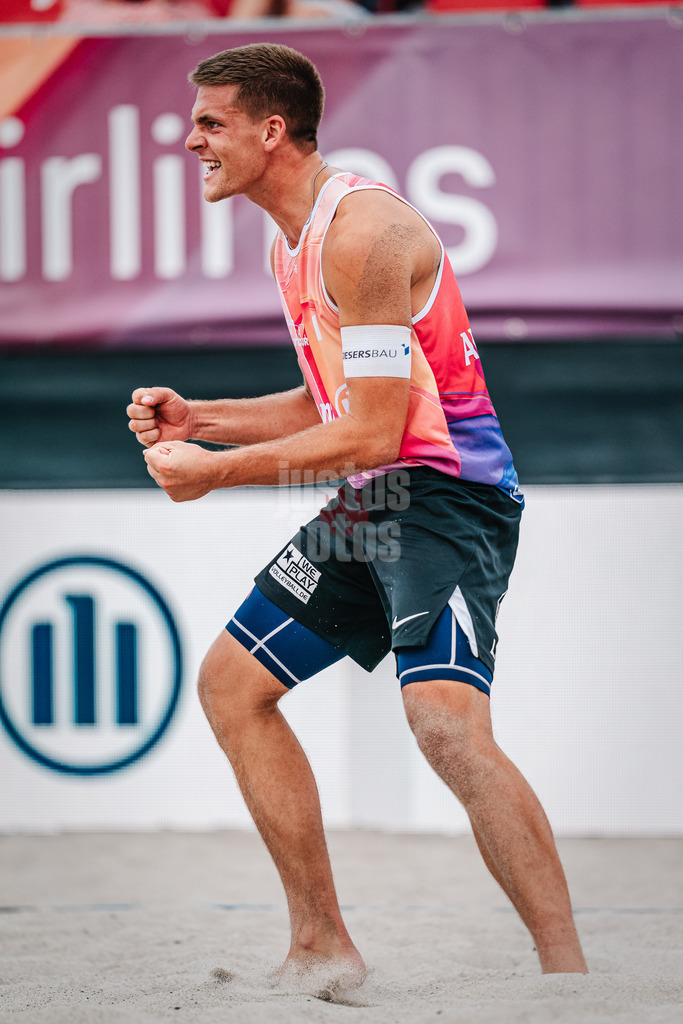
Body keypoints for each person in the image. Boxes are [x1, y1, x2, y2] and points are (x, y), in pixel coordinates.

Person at [127, 42, 588, 987]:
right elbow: (333, 403)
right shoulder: (290, 240)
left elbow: (373, 435)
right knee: (232, 686)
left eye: (209, 123)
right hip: (380, 495)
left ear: (270, 129)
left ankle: (573, 981)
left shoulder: (362, 235)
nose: (190, 141)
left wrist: (215, 473)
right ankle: (320, 945)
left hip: (448, 497)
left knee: (447, 729)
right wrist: (200, 417)